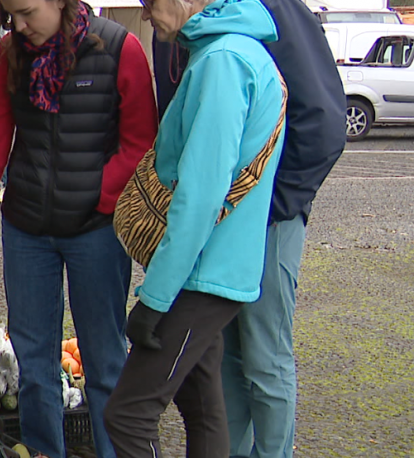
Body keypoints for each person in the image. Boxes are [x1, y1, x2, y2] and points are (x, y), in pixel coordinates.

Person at [0, 0, 158, 456]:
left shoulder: (120, 49)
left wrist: (99, 193)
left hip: (97, 231)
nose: (20, 25)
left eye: (28, 12)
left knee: (104, 359)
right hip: (27, 230)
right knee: (34, 361)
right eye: (12, 16)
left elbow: (141, 141)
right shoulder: (9, 55)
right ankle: (43, 450)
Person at [151, 1, 345, 455]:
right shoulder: (175, 24)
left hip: (269, 218)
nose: (146, 12)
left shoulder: (273, 8)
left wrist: (272, 205)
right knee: (223, 356)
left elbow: (323, 119)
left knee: (264, 356)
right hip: (213, 218)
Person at [102, 0, 289, 456]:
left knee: (128, 415)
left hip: (201, 273)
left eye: (150, 3)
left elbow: (201, 193)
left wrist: (155, 298)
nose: (147, 14)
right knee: (202, 406)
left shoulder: (224, 61)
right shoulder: (229, 52)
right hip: (213, 268)